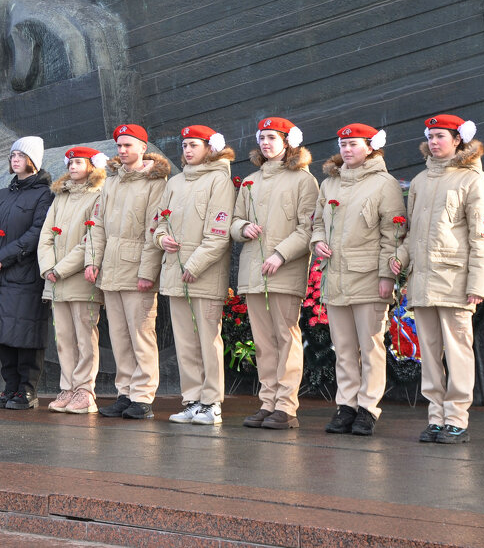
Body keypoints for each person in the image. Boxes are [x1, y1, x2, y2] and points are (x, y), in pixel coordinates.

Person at [391, 114, 484, 444]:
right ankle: (435, 416)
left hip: (455, 283)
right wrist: (400, 258)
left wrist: (478, 284)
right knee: (429, 354)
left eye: (441, 136)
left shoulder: (472, 180)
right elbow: (412, 235)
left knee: (458, 352)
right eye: (431, 136)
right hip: (422, 282)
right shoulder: (421, 181)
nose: (434, 141)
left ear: (458, 140)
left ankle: (457, 419)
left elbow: (483, 235)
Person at [311, 123, 405, 436]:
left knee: (371, 345)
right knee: (343, 347)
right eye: (343, 144)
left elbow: (393, 235)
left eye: (353, 144)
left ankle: (368, 407)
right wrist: (317, 242)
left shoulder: (384, 184)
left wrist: (386, 276)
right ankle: (346, 405)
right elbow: (317, 223)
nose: (346, 149)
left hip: (368, 278)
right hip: (335, 277)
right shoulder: (329, 184)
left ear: (370, 147)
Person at [231, 117, 318, 429]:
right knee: (263, 342)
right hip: (254, 270)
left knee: (285, 337)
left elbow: (308, 227)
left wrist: (281, 254)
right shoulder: (251, 181)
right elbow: (234, 220)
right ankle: (267, 402)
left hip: (284, 270)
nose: (266, 143)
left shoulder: (303, 180)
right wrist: (242, 227)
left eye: (272, 137)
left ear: (288, 141)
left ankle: (286, 406)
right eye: (262, 137)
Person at [86, 124, 171, 419]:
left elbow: (154, 229)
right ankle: (125, 392)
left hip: (137, 271)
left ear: (143, 148)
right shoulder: (111, 182)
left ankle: (143, 396)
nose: (122, 151)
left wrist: (148, 271)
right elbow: (97, 225)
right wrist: (93, 261)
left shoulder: (155, 183)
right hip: (111, 269)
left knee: (141, 334)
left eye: (128, 146)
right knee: (120, 336)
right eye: (119, 146)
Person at [153, 125, 237, 426]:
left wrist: (194, 265)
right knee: (185, 342)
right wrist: (161, 239)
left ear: (209, 148)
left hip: (204, 275)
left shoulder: (220, 181)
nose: (187, 150)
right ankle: (191, 400)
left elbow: (218, 234)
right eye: (185, 145)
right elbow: (159, 223)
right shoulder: (174, 183)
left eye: (194, 145)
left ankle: (212, 402)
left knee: (207, 340)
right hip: (175, 272)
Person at [0, 137, 55, 410]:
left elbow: (37, 232)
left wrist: (3, 257)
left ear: (33, 160)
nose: (14, 159)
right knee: (3, 335)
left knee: (26, 333)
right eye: (12, 155)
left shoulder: (44, 194)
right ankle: (10, 387)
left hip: (26, 274)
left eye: (21, 155)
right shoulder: (1, 194)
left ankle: (27, 391)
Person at [38, 146, 108, 414]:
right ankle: (67, 386)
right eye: (70, 162)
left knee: (84, 335)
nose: (73, 166)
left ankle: (85, 391)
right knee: (63, 337)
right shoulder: (61, 197)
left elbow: (90, 240)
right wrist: (48, 268)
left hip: (79, 279)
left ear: (92, 165)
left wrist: (61, 268)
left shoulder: (98, 195)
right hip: (55, 279)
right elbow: (46, 235)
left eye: (79, 162)